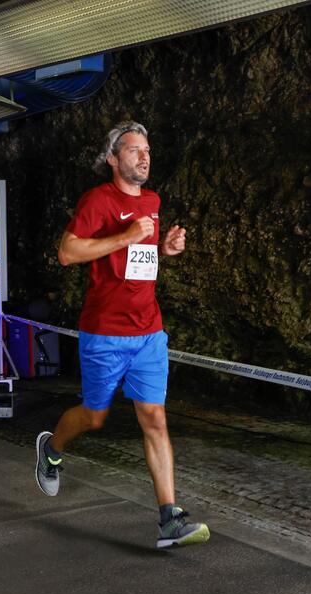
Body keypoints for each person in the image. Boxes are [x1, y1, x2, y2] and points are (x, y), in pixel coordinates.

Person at [34, 121, 210, 549]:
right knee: (95, 417)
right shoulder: (98, 200)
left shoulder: (152, 200)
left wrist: (162, 250)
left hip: (149, 329)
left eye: (147, 150)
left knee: (155, 418)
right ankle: (51, 449)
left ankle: (169, 518)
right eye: (133, 150)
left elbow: (138, 258)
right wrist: (124, 236)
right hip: (105, 333)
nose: (144, 157)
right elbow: (67, 252)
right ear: (113, 158)